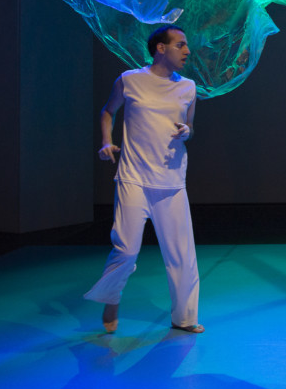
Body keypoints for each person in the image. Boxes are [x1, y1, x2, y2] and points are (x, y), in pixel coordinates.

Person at [84, 25, 204, 334]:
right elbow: (108, 112)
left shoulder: (188, 87)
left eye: (186, 45)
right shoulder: (130, 80)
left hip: (172, 180)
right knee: (125, 249)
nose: (187, 51)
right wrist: (105, 141)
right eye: (181, 45)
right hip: (134, 177)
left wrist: (186, 132)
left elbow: (190, 127)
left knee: (182, 255)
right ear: (161, 49)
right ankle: (112, 297)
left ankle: (185, 317)